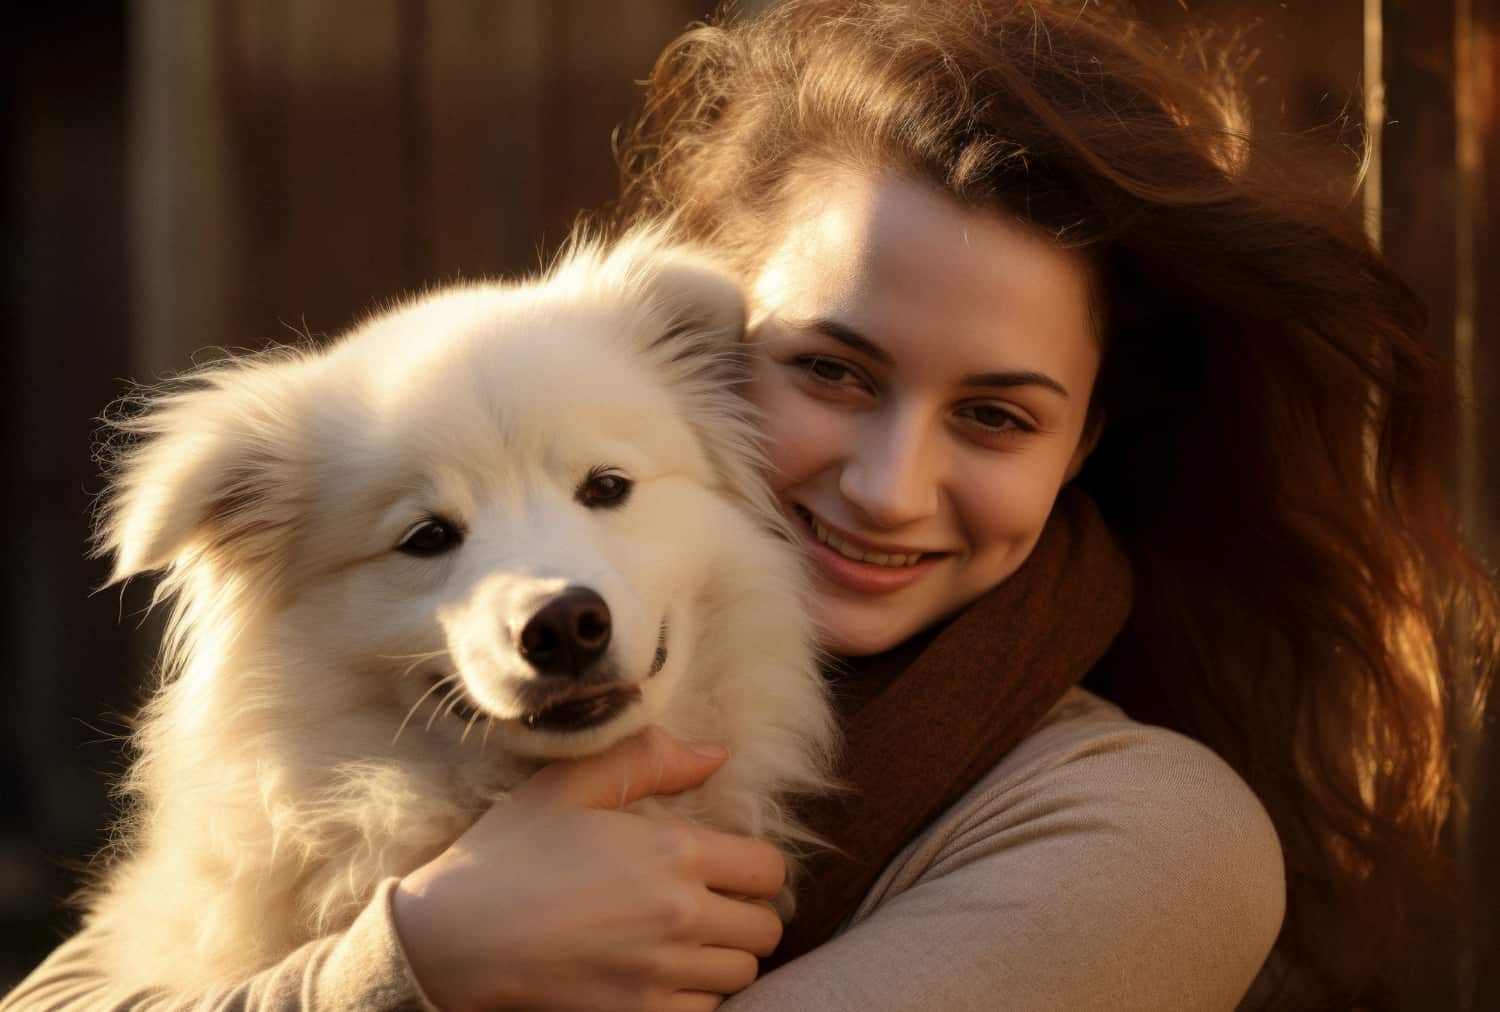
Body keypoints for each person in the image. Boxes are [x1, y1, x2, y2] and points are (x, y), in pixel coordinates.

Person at [6, 1, 1494, 1009]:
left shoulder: (1142, 834)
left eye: (995, 414)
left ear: (1087, 437)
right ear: (713, 359)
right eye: (833, 373)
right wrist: (415, 955)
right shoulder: (306, 788)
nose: (886, 484)